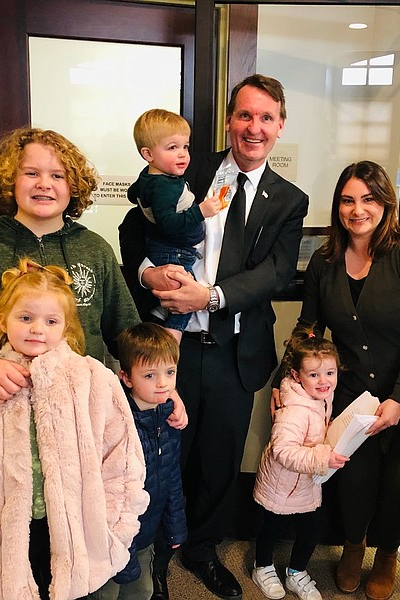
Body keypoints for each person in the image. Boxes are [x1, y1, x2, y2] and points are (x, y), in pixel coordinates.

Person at [119, 74, 309, 599]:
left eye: (266, 118)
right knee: (159, 453)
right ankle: (150, 558)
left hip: (232, 349)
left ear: (280, 127)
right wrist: (145, 273)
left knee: (219, 461)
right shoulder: (186, 164)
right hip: (167, 350)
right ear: (230, 121)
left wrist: (214, 297)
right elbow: (132, 230)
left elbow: (275, 271)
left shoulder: (289, 199)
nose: (254, 127)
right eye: (245, 115)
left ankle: (201, 551)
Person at [274, 161, 400, 600]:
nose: (358, 210)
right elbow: (308, 328)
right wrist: (285, 379)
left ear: (385, 202)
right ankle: (353, 547)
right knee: (353, 479)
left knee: (399, 485)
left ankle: (387, 553)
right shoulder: (325, 259)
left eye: (369, 199)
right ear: (338, 206)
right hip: (356, 393)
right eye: (348, 200)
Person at [0, 259, 149, 600]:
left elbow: (124, 463)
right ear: (3, 321)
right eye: (25, 317)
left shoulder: (94, 383)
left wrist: (115, 532)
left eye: (51, 320)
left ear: (66, 327)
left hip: (74, 540)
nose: (37, 329)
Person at [0, 126, 142, 404]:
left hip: (79, 410)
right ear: (10, 180)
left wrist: (158, 380)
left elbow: (126, 332)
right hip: (2, 409)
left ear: (73, 186)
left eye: (57, 176)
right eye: (31, 173)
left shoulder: (95, 249)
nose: (44, 183)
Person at [252, 328, 348, 600]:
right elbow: (283, 451)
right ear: (296, 376)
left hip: (306, 482)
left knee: (312, 529)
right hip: (282, 484)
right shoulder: (293, 410)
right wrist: (322, 457)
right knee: (272, 528)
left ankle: (295, 572)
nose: (324, 381)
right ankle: (262, 567)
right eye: (314, 375)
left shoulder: (322, 398)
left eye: (330, 373)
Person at [101, 322, 188, 600]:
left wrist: (176, 529)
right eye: (150, 375)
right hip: (114, 540)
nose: (163, 383)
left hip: (147, 534)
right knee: (108, 593)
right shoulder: (116, 425)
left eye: (170, 372)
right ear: (126, 378)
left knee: (143, 591)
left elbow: (172, 477)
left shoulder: (169, 417)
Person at [128, 109, 225, 343]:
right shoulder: (166, 184)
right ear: (148, 153)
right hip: (174, 251)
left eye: (185, 147)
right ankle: (172, 338)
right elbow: (164, 224)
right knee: (185, 293)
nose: (183, 155)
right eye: (172, 148)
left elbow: (133, 194)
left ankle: (159, 313)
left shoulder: (151, 177)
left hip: (175, 248)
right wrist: (201, 211)